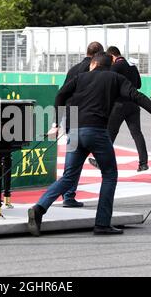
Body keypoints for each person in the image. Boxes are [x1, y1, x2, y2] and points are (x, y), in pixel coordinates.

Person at [27, 52, 151, 236]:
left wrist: (57, 123)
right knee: (110, 174)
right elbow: (137, 96)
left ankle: (39, 208)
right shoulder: (115, 78)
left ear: (94, 64)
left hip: (74, 131)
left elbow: (60, 95)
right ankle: (102, 223)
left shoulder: (80, 77)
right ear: (108, 64)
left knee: (69, 177)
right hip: (96, 131)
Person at [89, 46, 149, 172]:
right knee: (137, 133)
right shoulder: (132, 65)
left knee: (110, 133)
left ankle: (101, 162)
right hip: (133, 104)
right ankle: (143, 163)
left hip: (119, 105)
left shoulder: (115, 67)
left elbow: (109, 83)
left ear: (112, 56)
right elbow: (138, 84)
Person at [60, 41, 104, 208]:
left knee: (71, 158)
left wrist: (58, 121)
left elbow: (62, 94)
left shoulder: (73, 69)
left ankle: (68, 195)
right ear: (99, 55)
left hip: (70, 116)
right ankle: (69, 195)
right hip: (87, 117)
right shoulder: (95, 70)